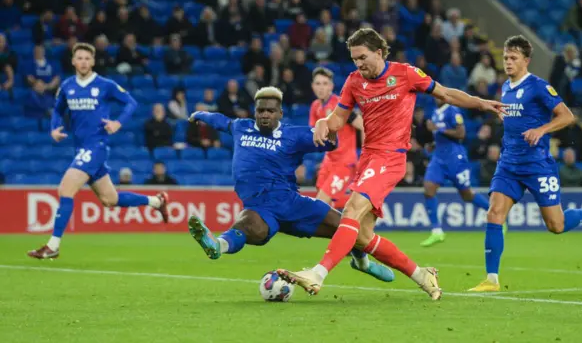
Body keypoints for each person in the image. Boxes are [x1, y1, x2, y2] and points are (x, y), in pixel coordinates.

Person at [277, 28, 506, 300]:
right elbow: (339, 119)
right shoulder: (353, 82)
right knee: (362, 236)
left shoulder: (406, 74)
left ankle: (318, 273)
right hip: (368, 159)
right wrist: (325, 123)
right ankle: (422, 275)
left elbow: (445, 94)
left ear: (379, 52)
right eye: (354, 59)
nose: (358, 63)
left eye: (362, 57)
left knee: (351, 209)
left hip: (391, 157)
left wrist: (481, 103)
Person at [186, 86, 394, 283]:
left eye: (270, 110)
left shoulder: (294, 135)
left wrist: (330, 134)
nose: (265, 114)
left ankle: (362, 263)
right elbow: (220, 120)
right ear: (255, 112)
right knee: (248, 226)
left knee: (348, 228)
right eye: (261, 110)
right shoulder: (242, 127)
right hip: (260, 207)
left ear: (280, 114)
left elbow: (329, 142)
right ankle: (217, 245)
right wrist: (200, 115)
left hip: (292, 204)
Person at [468, 35, 582, 292]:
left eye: (513, 58)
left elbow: (567, 116)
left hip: (538, 165)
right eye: (505, 58)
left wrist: (541, 130)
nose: (508, 62)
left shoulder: (538, 86)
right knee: (494, 213)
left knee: (555, 225)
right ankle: (491, 279)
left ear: (526, 60)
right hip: (509, 165)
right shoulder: (506, 88)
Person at [27, 43, 169, 260]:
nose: (83, 61)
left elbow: (130, 103)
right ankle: (157, 202)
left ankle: (53, 245)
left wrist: (118, 123)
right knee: (110, 199)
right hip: (81, 149)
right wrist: (54, 127)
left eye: (87, 58)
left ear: (93, 61)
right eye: (79, 58)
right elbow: (57, 110)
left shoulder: (105, 85)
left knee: (65, 189)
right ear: (73, 61)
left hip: (96, 147)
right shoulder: (67, 86)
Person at [420, 97, 490, 247]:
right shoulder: (434, 112)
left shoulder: (452, 110)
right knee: (428, 190)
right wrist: (433, 144)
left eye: (439, 95)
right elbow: (440, 136)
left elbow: (461, 133)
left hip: (455, 159)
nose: (437, 98)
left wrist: (438, 129)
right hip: (439, 157)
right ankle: (437, 231)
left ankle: (495, 214)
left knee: (467, 195)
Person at [309, 67, 364, 210]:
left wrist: (366, 153)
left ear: (331, 86)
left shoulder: (340, 105)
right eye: (318, 83)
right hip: (328, 160)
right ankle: (345, 228)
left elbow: (363, 125)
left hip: (344, 163)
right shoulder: (315, 106)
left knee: (320, 202)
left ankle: (352, 223)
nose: (321, 87)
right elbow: (313, 133)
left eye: (325, 83)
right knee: (325, 203)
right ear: (312, 86)